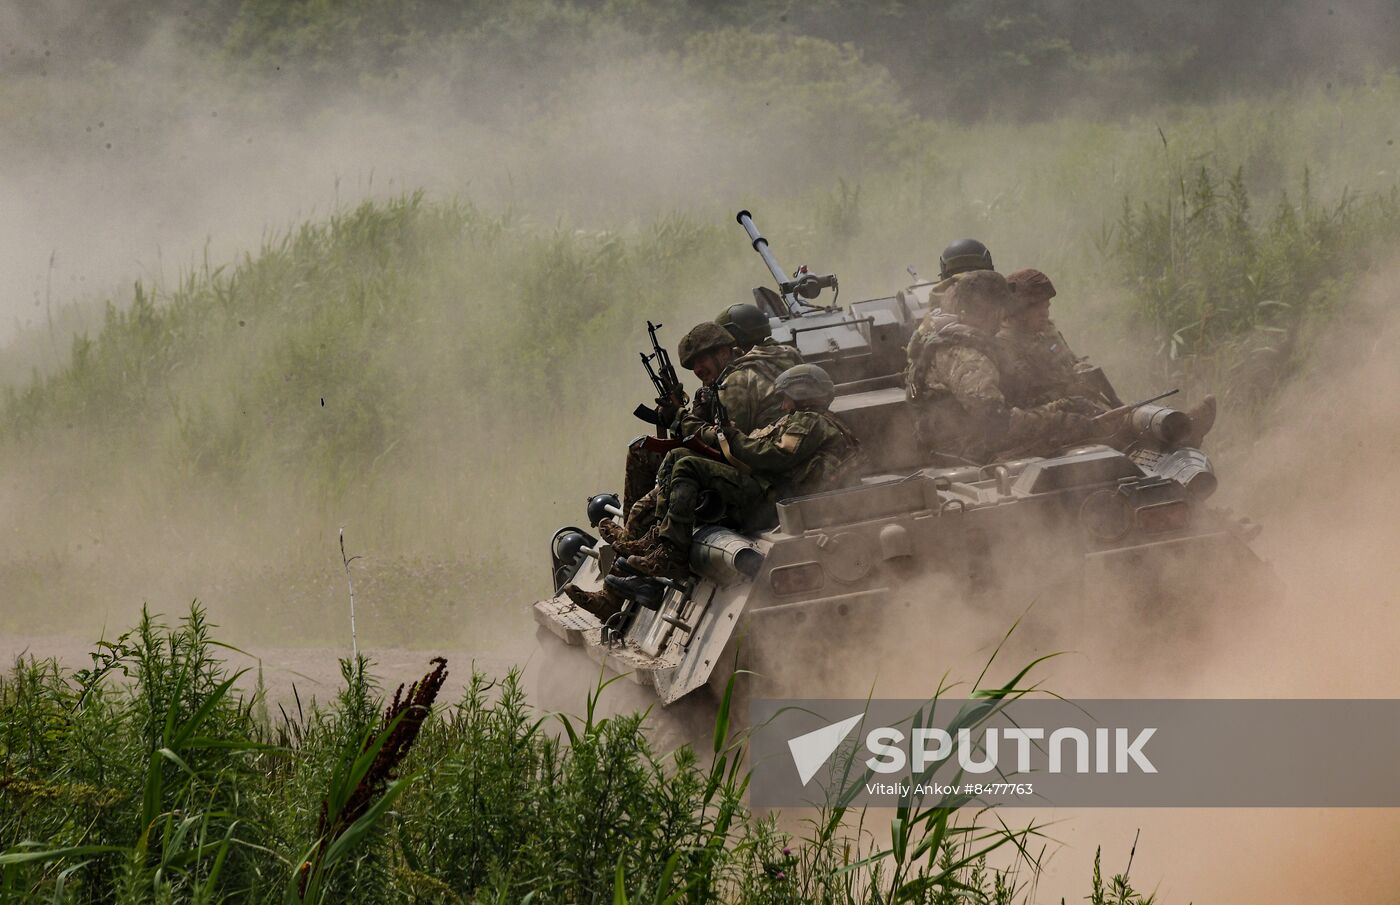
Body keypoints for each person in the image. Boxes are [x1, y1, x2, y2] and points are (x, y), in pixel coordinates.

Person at [618, 363, 862, 583]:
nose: (783, 405)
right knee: (677, 456)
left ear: (802, 394)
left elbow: (771, 456)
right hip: (772, 492)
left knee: (688, 466)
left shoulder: (811, 421)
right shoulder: (807, 421)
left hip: (774, 498)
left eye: (786, 398)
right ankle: (660, 537)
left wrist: (731, 436)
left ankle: (673, 553)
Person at [1001, 268, 1216, 446]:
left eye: (1046, 306)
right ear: (1017, 310)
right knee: (1125, 428)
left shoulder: (1047, 333)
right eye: (1037, 308)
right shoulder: (1004, 346)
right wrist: (1067, 404)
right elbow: (1019, 407)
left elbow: (1072, 365)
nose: (1045, 313)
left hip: (1079, 407)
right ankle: (1183, 433)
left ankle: (1184, 430)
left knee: (1128, 417)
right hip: (1052, 421)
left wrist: (1090, 384)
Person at [906, 270, 1098, 464]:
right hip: (964, 452)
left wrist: (1056, 407)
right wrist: (1060, 421)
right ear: (994, 311)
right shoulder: (966, 357)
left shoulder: (951, 340)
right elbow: (998, 424)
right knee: (1074, 444)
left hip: (958, 443)